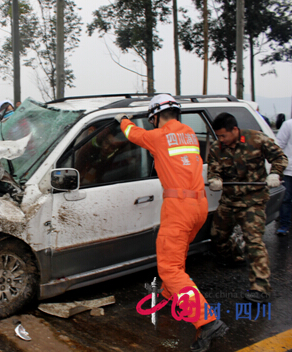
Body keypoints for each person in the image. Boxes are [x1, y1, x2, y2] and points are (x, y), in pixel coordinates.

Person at [117, 94, 228, 352]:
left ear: (155, 116)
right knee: (176, 258)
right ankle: (171, 295)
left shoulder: (158, 136)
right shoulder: (188, 133)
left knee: (169, 268)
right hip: (198, 205)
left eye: (152, 118)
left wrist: (122, 120)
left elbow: (132, 134)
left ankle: (206, 321)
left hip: (178, 207)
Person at [207, 112, 287, 303]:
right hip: (229, 200)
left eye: (224, 135)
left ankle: (260, 288)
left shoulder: (257, 139)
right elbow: (214, 168)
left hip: (253, 200)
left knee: (254, 241)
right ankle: (235, 259)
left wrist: (275, 173)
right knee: (218, 237)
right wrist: (215, 179)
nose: (221, 139)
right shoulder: (217, 147)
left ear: (234, 130)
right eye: (218, 136)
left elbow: (280, 158)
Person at [276, 118, 292, 235]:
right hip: (289, 170)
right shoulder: (288, 125)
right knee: (285, 199)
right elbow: (279, 145)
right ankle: (284, 225)